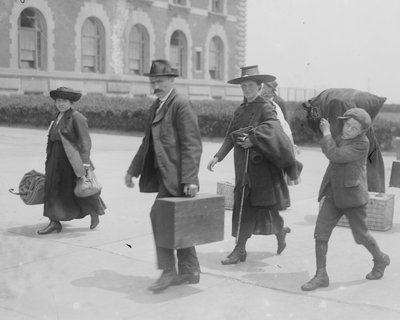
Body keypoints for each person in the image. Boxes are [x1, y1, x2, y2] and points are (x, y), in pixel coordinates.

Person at [125, 59, 203, 293]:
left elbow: (192, 144)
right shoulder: (156, 106)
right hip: (165, 176)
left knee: (161, 218)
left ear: (171, 80)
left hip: (178, 177)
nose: (155, 85)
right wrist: (133, 170)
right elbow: (146, 143)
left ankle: (169, 271)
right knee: (178, 221)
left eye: (159, 81)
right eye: (152, 81)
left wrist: (190, 179)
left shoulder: (180, 104)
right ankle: (190, 270)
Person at [207, 65, 296, 265]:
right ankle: (274, 233)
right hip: (242, 165)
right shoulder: (240, 110)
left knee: (258, 205)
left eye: (250, 85)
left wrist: (254, 140)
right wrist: (218, 156)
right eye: (243, 85)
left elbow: (274, 129)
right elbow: (231, 135)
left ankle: (241, 249)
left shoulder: (266, 106)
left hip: (261, 167)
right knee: (247, 205)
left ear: (259, 86)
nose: (246, 89)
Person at [301, 108, 390, 291]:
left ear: (362, 131)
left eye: (354, 128)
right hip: (333, 193)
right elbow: (330, 145)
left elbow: (335, 154)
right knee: (321, 233)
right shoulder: (342, 136)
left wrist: (327, 134)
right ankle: (321, 275)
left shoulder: (362, 144)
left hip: (352, 197)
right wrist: (320, 122)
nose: (348, 129)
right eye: (347, 124)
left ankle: (380, 259)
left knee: (361, 236)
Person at [38, 87, 106, 235]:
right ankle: (54, 222)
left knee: (79, 190)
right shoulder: (56, 117)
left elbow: (85, 141)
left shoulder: (77, 117)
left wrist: (85, 163)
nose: (61, 104)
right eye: (58, 101)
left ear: (71, 102)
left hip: (72, 162)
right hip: (55, 161)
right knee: (53, 191)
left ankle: (94, 212)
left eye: (64, 101)